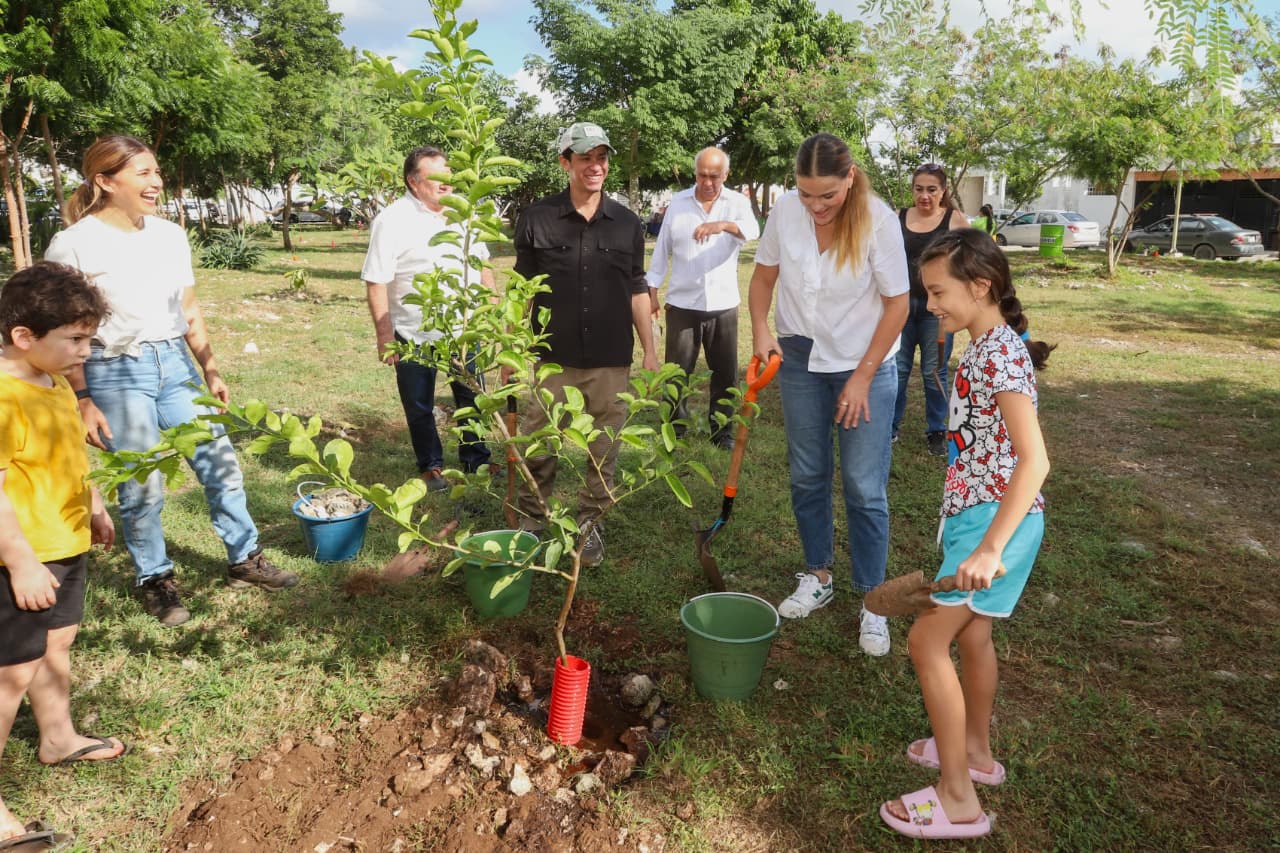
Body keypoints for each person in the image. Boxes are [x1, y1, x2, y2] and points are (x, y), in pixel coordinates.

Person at [46, 135, 298, 628]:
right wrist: (83, 397)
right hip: (115, 369)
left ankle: (245, 559)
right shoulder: (73, 244)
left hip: (175, 365)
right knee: (143, 483)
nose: (156, 181)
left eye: (156, 171)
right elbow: (64, 328)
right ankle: (155, 579)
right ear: (105, 181)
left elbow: (188, 309)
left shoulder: (169, 235)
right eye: (142, 173)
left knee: (220, 463)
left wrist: (210, 368)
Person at [879, 229, 1052, 840]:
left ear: (981, 287)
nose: (930, 306)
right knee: (973, 635)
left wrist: (989, 547)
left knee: (926, 642)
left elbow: (1035, 460)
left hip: (994, 524)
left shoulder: (1000, 355)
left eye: (938, 293)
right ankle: (975, 751)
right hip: (982, 517)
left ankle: (957, 799)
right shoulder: (987, 345)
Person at [748, 133, 909, 656]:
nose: (815, 206)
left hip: (865, 363)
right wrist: (761, 329)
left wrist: (862, 377)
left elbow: (899, 305)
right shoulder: (785, 213)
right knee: (807, 472)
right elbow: (763, 279)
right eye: (805, 194)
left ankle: (874, 598)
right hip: (799, 358)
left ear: (850, 178)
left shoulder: (879, 220)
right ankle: (818, 575)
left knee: (864, 485)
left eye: (827, 196)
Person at [1, 262, 129, 848]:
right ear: (23, 336)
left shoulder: (51, 383)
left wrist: (94, 504)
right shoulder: (5, 398)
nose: (85, 352)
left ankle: (58, 738)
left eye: (89, 339)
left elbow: (68, 456)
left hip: (64, 541)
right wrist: (21, 562)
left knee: (57, 644)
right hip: (22, 557)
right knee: (11, 673)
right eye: (75, 339)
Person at [510, 122, 659, 566]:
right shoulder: (537, 218)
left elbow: (637, 287)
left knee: (604, 449)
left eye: (601, 158)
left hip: (611, 358)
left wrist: (651, 351)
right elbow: (522, 288)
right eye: (585, 158)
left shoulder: (627, 224)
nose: (595, 166)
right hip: (552, 358)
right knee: (540, 442)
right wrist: (511, 347)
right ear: (565, 163)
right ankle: (532, 520)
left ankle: (591, 524)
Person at [362, 145, 495, 491]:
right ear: (413, 181)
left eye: (448, 174)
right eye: (436, 177)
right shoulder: (391, 220)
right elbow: (376, 280)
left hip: (464, 328)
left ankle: (476, 459)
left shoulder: (464, 211)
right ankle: (431, 465)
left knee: (472, 397)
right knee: (419, 404)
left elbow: (482, 263)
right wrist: (384, 335)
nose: (446, 182)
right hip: (413, 331)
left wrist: (491, 306)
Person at [646, 147, 760, 449]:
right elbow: (662, 249)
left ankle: (721, 432)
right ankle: (674, 430)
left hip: (723, 304)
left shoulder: (736, 203)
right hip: (682, 304)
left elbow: (752, 230)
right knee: (677, 373)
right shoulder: (679, 203)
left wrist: (722, 225)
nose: (707, 182)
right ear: (694, 173)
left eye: (714, 176)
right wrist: (652, 291)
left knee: (725, 373)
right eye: (702, 175)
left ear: (726, 175)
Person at [891, 163, 969, 457]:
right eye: (919, 189)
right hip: (900, 307)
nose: (924, 196)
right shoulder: (898, 217)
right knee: (897, 369)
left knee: (933, 371)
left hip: (936, 311)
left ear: (943, 191)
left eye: (931, 190)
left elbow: (974, 257)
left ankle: (937, 429)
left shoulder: (953, 219)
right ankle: (890, 426)